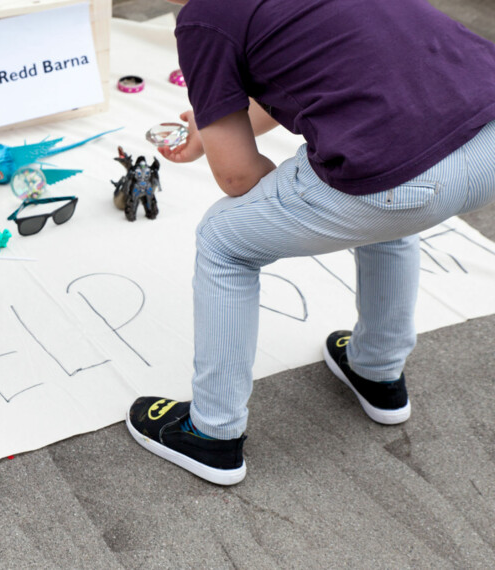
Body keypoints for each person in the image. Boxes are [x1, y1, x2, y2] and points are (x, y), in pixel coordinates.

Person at [126, 0, 495, 485]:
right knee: (386, 196)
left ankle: (211, 433)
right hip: (484, 133)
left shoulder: (203, 17)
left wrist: (266, 194)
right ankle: (377, 370)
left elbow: (237, 175)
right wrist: (210, 126)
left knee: (225, 239)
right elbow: (306, 69)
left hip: (402, 177)